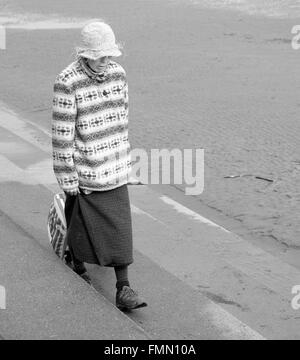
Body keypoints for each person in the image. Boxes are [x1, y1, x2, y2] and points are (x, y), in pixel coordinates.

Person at [51, 20, 147, 311]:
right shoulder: (67, 81)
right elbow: (61, 135)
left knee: (120, 229)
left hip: (115, 165)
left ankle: (124, 287)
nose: (106, 61)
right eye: (100, 56)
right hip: (86, 169)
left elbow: (123, 121)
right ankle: (77, 261)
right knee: (80, 223)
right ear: (85, 55)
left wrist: (126, 160)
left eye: (109, 55)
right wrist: (67, 178)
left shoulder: (118, 74)